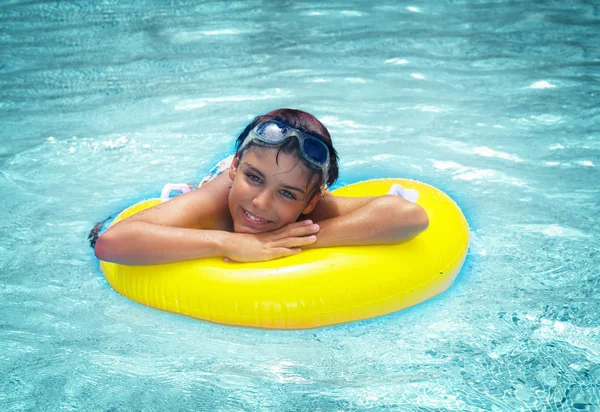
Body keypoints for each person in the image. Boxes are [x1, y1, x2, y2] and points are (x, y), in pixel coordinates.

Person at [94, 108, 429, 265]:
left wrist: (290, 241)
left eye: (287, 194)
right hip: (213, 181)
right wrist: (229, 243)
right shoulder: (217, 198)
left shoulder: (311, 205)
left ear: (310, 201)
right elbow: (111, 243)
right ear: (237, 166)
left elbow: (409, 216)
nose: (260, 203)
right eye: (253, 177)